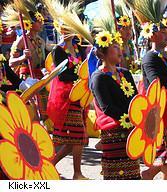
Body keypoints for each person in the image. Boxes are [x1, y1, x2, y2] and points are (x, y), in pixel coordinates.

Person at [129, 0, 167, 180]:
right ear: (152, 35)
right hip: (162, 111)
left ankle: (148, 174)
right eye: (162, 32)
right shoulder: (149, 58)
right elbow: (158, 84)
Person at [45, 0, 93, 180]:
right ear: (60, 30)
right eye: (65, 28)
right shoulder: (58, 50)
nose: (68, 31)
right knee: (78, 136)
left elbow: (85, 68)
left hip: (78, 96)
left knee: (75, 138)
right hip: (66, 97)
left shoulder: (79, 48)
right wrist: (80, 78)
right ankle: (77, 173)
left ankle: (53, 164)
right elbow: (62, 75)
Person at [90, 30, 141, 180]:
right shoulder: (98, 77)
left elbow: (135, 99)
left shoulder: (125, 73)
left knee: (133, 174)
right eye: (115, 47)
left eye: (119, 46)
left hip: (131, 128)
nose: (120, 49)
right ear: (103, 53)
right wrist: (129, 119)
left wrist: (139, 117)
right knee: (117, 175)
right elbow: (107, 107)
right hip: (113, 132)